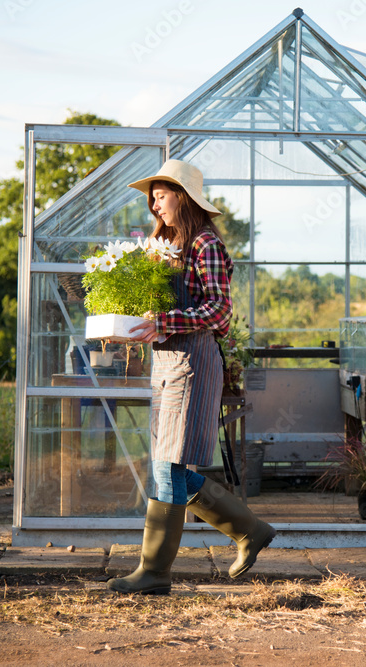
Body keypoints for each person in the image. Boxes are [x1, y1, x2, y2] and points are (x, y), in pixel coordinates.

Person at [107, 159, 276, 596]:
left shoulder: (205, 245)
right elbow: (161, 312)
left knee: (167, 465)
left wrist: (164, 319)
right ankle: (249, 530)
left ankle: (155, 572)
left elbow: (219, 310)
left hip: (193, 362)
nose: (154, 204)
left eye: (161, 195)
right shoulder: (166, 248)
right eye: (152, 196)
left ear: (182, 197)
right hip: (168, 363)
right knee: (171, 465)